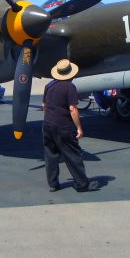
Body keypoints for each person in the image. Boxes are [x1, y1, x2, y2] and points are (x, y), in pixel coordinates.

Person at [42, 59, 92, 192]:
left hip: (48, 124)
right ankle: (82, 183)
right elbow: (72, 109)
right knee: (72, 154)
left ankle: (53, 184)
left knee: (51, 154)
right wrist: (79, 128)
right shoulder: (69, 87)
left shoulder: (49, 85)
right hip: (63, 125)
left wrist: (48, 119)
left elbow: (44, 106)